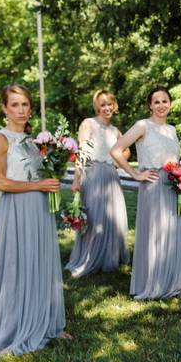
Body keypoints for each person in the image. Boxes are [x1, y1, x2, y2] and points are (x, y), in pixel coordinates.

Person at [0, 84, 68, 354]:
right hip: (16, 210)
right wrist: (37, 187)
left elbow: (39, 173)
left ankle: (47, 322)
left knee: (41, 263)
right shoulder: (0, 138)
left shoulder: (36, 142)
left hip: (40, 210)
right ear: (5, 108)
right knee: (18, 263)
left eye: (25, 105)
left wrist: (51, 180)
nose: (20, 110)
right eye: (14, 105)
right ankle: (16, 324)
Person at [110, 86, 181, 300]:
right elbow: (116, 151)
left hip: (173, 185)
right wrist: (135, 174)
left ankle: (171, 281)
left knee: (172, 232)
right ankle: (153, 283)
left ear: (170, 104)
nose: (161, 105)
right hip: (152, 183)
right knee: (155, 234)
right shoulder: (143, 125)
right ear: (150, 105)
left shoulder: (171, 129)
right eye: (157, 102)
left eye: (165, 101)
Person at [64, 89, 131, 277]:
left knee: (112, 218)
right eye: (102, 105)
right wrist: (76, 179)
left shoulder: (115, 131)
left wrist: (118, 160)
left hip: (110, 176)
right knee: (93, 219)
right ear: (97, 107)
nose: (107, 108)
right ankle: (90, 258)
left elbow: (126, 151)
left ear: (114, 106)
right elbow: (82, 152)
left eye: (110, 104)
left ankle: (109, 257)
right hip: (92, 174)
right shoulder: (89, 124)